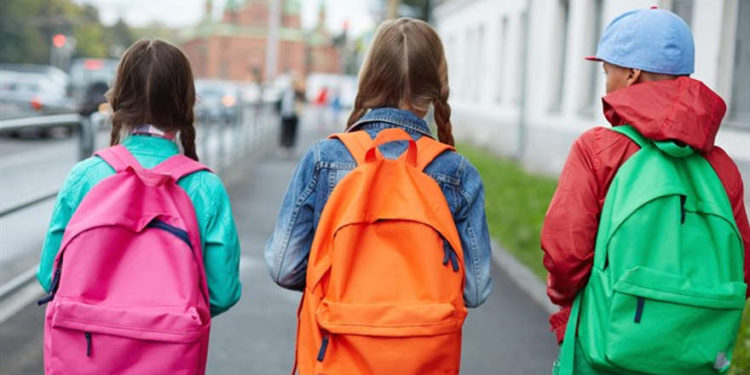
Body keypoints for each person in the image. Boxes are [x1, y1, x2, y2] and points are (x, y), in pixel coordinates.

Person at [265, 18, 492, 375]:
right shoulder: (458, 173)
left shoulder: (326, 159)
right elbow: (476, 290)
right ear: (435, 87)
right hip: (422, 358)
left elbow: (283, 267)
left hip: (336, 351)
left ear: (369, 76)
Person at [541, 8, 750, 374]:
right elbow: (742, 269)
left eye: (608, 72)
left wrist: (567, 304)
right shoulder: (721, 166)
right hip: (697, 356)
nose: (606, 83)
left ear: (631, 74)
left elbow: (565, 255)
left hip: (606, 347)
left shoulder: (598, 150)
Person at [37, 39, 241, 373]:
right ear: (187, 102)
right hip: (170, 357)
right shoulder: (205, 187)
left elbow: (50, 276)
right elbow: (222, 292)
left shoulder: (86, 176)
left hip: (85, 355)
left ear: (117, 97)